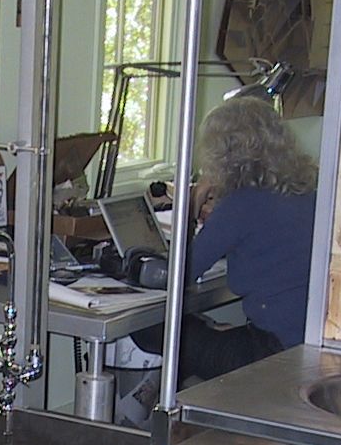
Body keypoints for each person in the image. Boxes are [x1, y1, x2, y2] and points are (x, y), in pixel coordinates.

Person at [131, 97, 317, 384]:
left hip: (271, 353)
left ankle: (166, 416)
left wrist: (194, 199)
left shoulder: (242, 205)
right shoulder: (308, 193)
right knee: (197, 332)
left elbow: (179, 274)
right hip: (305, 347)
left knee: (149, 328)